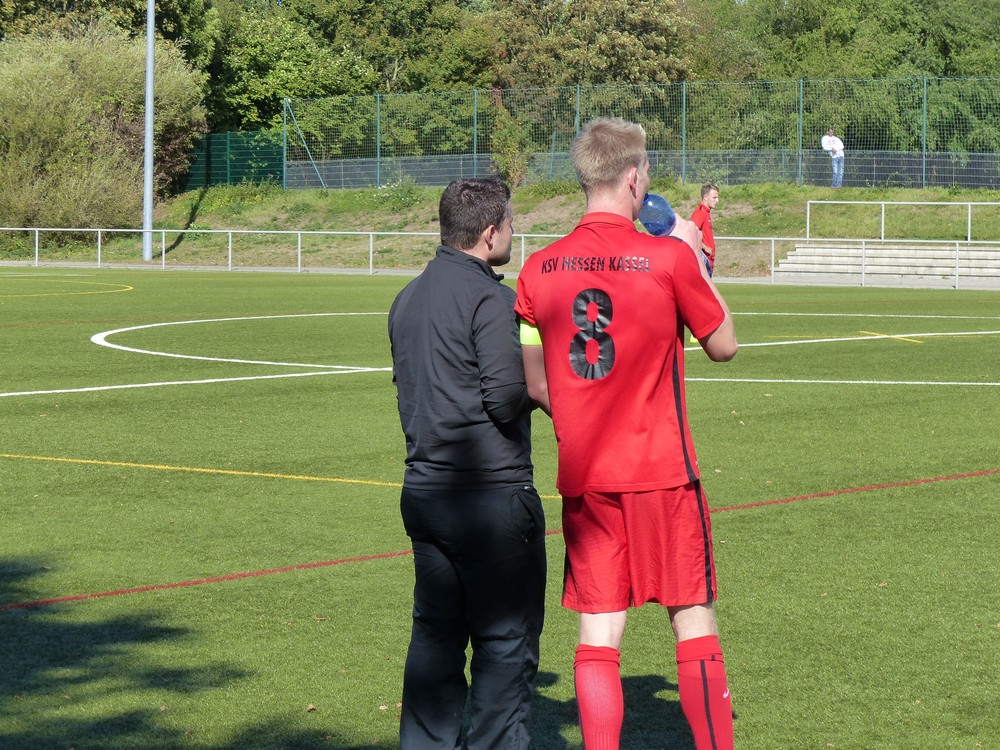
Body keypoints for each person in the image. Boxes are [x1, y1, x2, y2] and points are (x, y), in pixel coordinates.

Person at [514, 117, 739, 750]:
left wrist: (587, 413)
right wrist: (695, 255)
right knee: (692, 621)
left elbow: (536, 384)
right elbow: (724, 344)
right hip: (663, 472)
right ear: (635, 178)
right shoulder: (668, 258)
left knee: (598, 634)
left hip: (587, 477)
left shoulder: (537, 269)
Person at [388, 177, 546, 750]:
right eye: (511, 224)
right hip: (490, 497)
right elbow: (504, 397)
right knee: (504, 645)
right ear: (489, 233)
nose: (514, 234)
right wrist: (547, 383)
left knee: (434, 637)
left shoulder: (407, 297)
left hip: (426, 490)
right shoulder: (493, 300)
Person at [690, 182, 720, 276]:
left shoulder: (706, 213)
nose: (717, 200)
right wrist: (705, 247)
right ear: (705, 197)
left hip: (708, 260)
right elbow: (691, 233)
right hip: (703, 261)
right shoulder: (700, 213)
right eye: (714, 198)